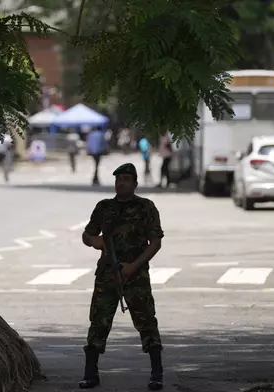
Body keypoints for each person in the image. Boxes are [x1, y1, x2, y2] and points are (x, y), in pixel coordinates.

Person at [79, 163, 165, 390]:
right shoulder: (104, 207)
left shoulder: (146, 207)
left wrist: (133, 266)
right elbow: (88, 234)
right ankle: (90, 373)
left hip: (135, 275)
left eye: (126, 179)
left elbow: (155, 243)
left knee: (146, 321)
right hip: (107, 274)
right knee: (98, 322)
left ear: (135, 183)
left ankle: (157, 373)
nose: (121, 183)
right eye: (118, 179)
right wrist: (94, 241)